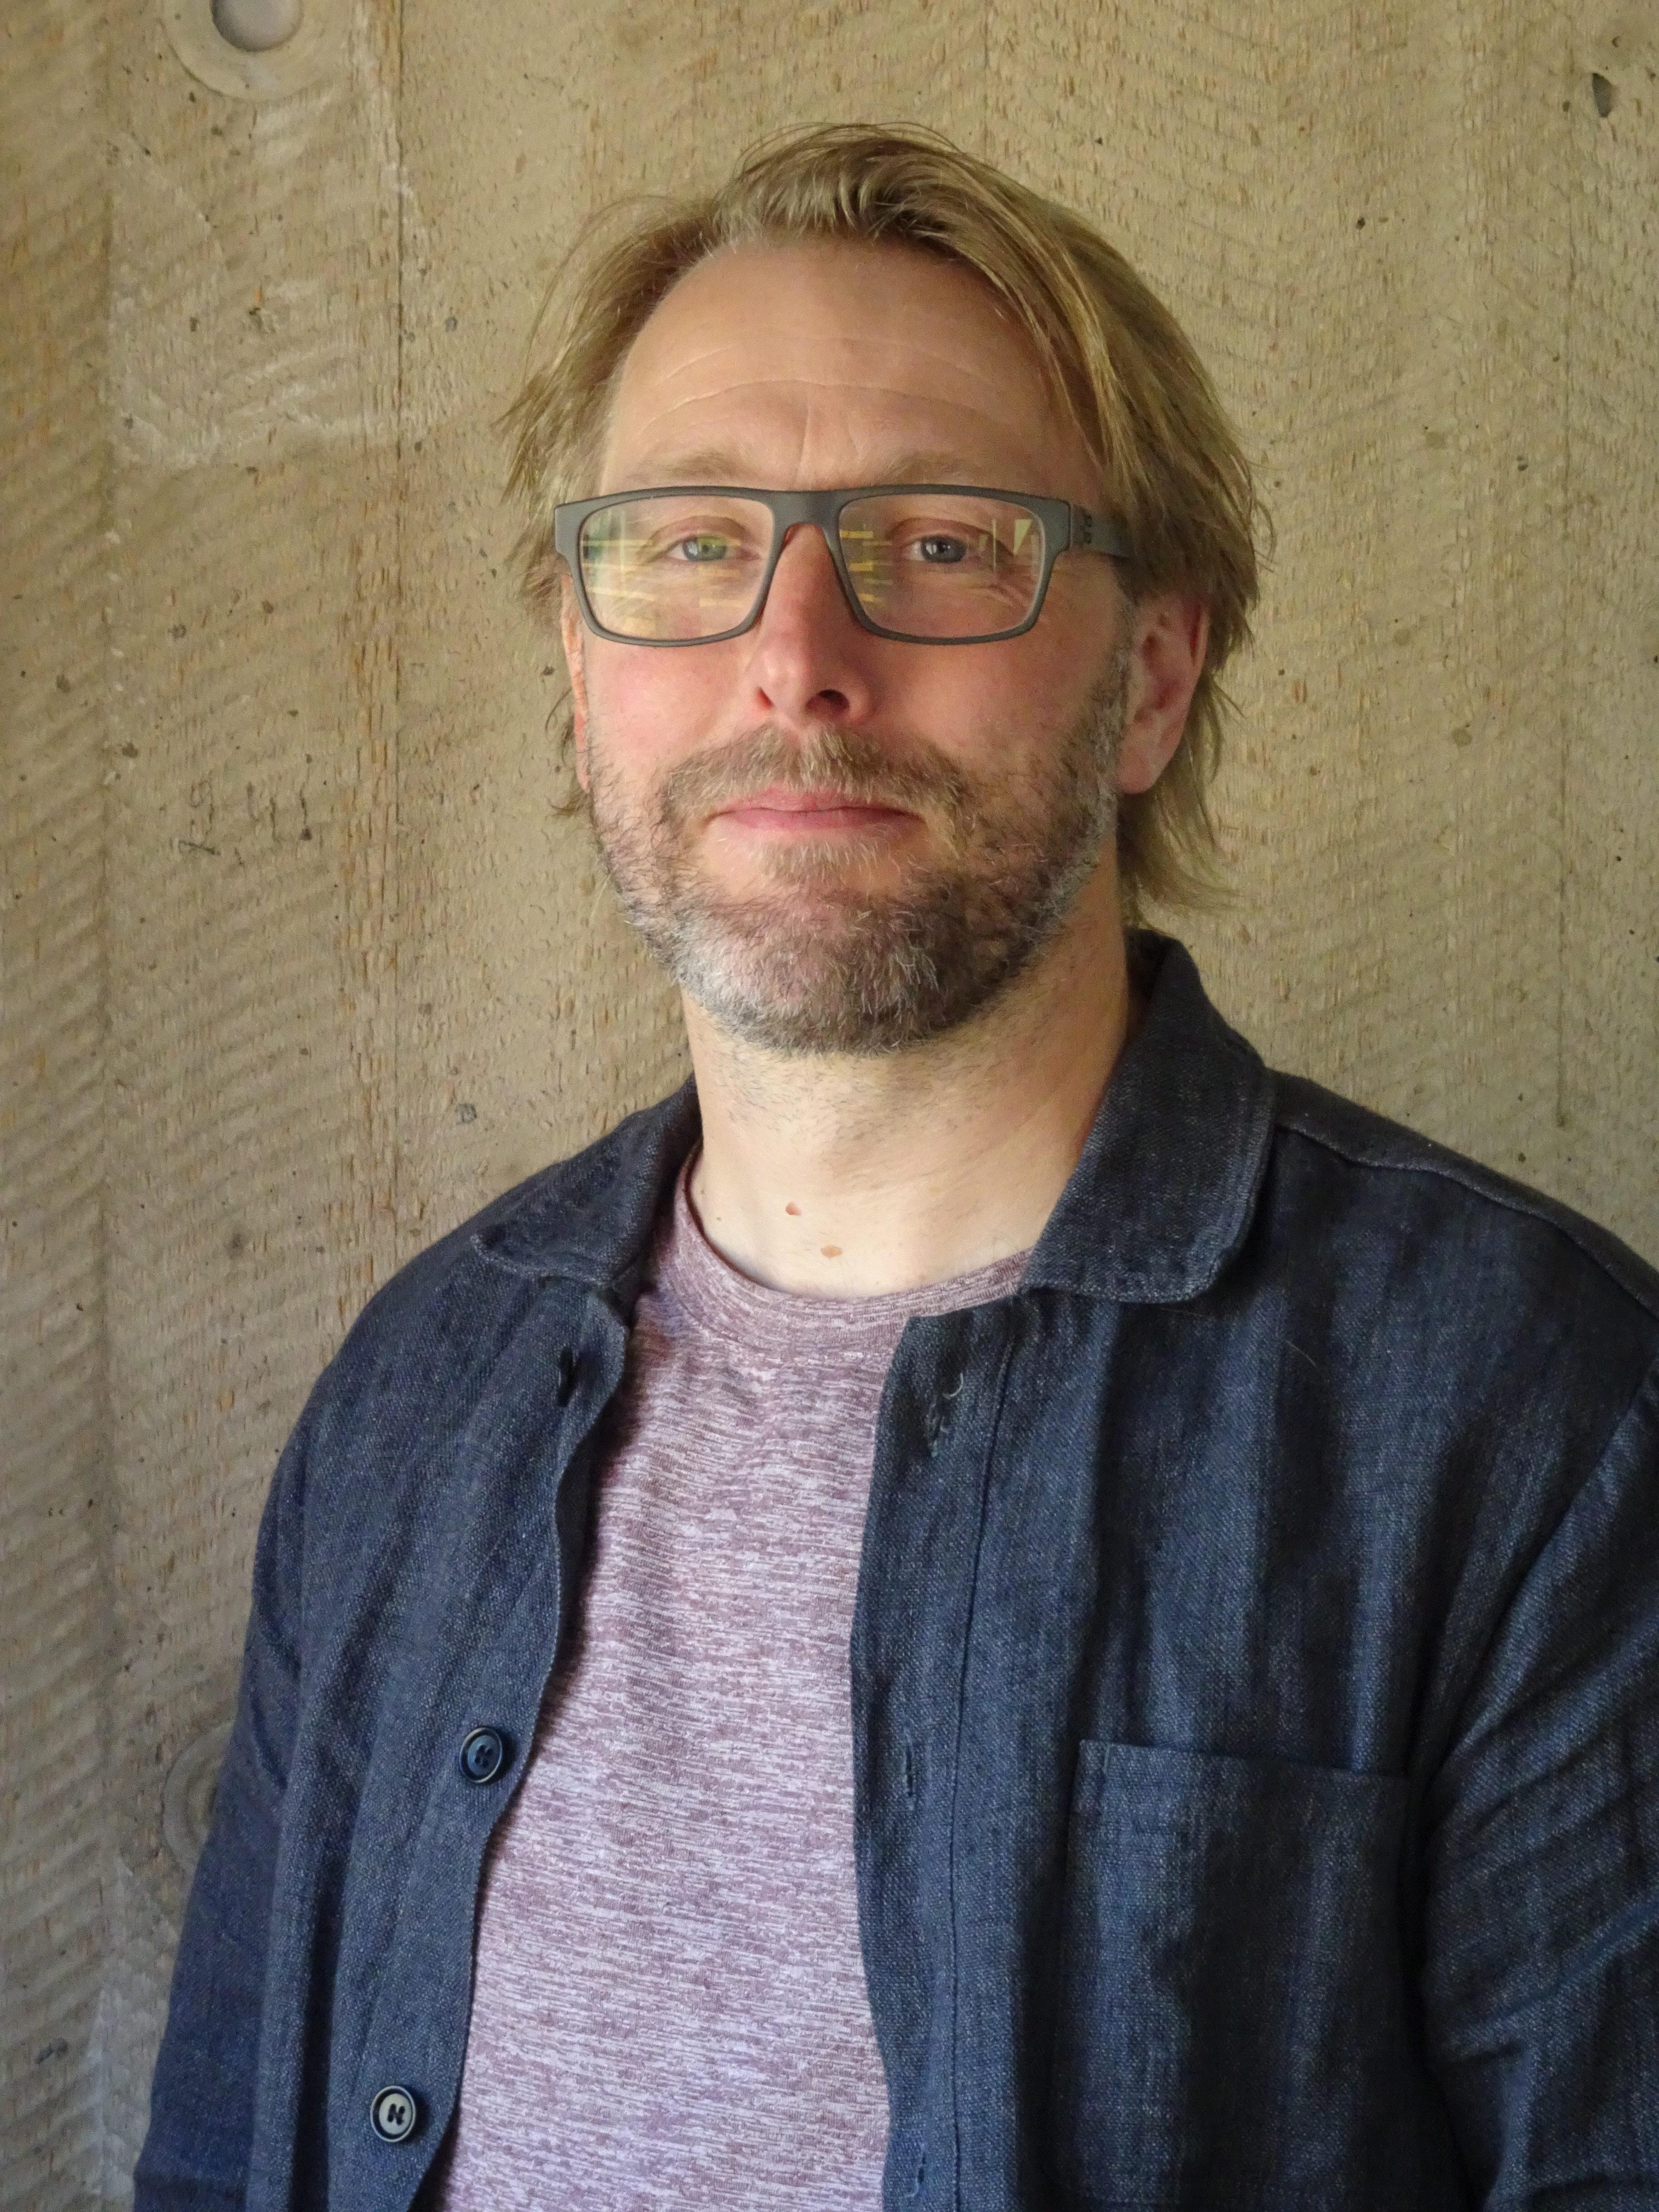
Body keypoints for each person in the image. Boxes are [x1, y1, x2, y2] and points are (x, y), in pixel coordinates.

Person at [136, 125, 1659, 2211]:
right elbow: (225, 2153)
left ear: (1150, 679)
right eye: (690, 545)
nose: (795, 658)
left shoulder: (1531, 1414)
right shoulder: (417, 1399)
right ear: (581, 675)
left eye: (941, 544)